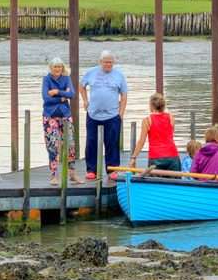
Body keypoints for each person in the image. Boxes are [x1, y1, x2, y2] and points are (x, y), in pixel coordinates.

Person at [79, 50, 128, 181]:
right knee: (91, 142)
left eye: (110, 62)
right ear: (100, 62)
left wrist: (121, 113)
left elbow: (124, 95)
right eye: (106, 62)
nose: (108, 65)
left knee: (112, 142)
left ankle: (112, 169)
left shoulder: (119, 75)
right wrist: (84, 100)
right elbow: (81, 85)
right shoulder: (91, 72)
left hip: (112, 115)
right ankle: (92, 170)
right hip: (93, 114)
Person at [41, 58, 83, 186]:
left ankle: (72, 173)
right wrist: (62, 98)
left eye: (59, 67)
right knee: (53, 145)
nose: (57, 69)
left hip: (65, 116)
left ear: (62, 68)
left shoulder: (66, 78)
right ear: (51, 68)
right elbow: (46, 98)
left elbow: (72, 95)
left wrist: (56, 92)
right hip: (50, 117)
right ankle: (53, 176)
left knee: (70, 145)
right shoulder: (47, 79)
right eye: (55, 67)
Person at [129, 93, 179, 173]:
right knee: (174, 184)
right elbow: (171, 134)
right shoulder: (171, 117)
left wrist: (134, 157)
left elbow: (141, 142)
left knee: (155, 184)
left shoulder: (147, 120)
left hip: (155, 157)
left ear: (152, 105)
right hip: (172, 155)